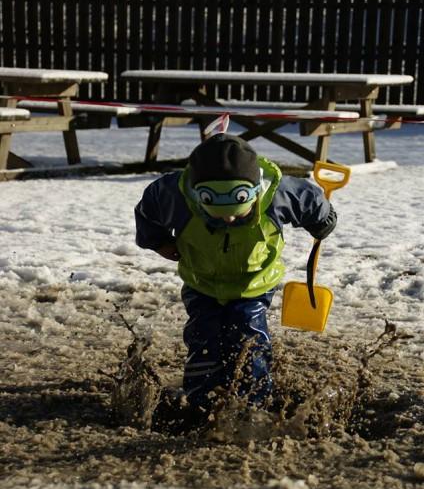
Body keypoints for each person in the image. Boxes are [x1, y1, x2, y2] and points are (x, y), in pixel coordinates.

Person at [134, 133, 337, 433]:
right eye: (217, 214)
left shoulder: (276, 193)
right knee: (204, 339)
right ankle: (202, 404)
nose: (228, 221)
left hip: (253, 285)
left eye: (236, 212)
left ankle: (253, 404)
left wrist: (323, 221)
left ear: (254, 191)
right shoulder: (175, 194)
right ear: (197, 193)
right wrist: (158, 242)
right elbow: (147, 211)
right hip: (201, 283)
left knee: (249, 338)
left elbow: (311, 200)